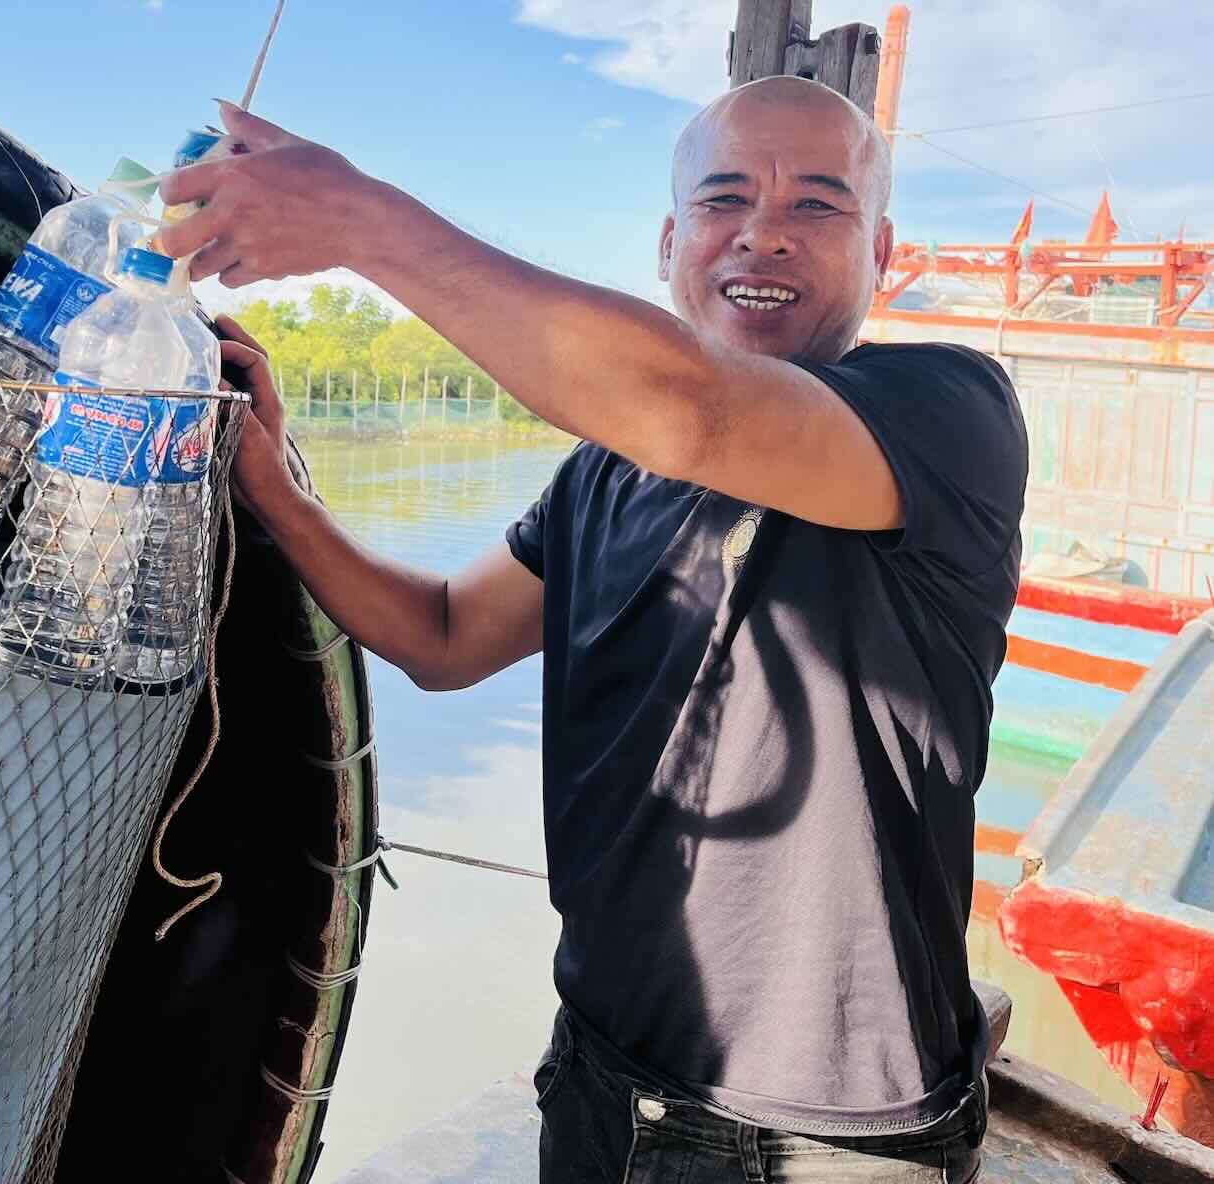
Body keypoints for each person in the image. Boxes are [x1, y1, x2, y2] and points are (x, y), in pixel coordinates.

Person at [160, 75, 1025, 1183]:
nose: (760, 235)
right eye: (722, 200)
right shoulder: (601, 477)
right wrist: (277, 486)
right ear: (670, 240)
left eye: (817, 206)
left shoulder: (945, 412)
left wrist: (357, 221)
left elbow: (691, 405)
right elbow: (439, 634)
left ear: (883, 251)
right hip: (606, 1069)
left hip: (825, 1130)